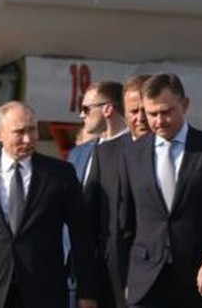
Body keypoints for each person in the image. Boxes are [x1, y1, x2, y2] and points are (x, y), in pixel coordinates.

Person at [0, 101, 98, 308]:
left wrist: (87, 292)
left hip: (46, 292)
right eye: (19, 132)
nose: (28, 139)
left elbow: (81, 235)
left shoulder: (60, 175)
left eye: (32, 130)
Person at [119, 73, 202, 307]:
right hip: (146, 281)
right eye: (152, 114)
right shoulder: (132, 154)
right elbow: (126, 220)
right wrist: (127, 278)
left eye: (166, 112)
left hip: (198, 278)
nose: (159, 121)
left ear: (185, 105)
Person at [80, 81, 130, 307]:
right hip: (90, 276)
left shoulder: (134, 149)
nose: (81, 115)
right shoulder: (79, 154)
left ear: (108, 109)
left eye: (86, 109)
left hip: (124, 275)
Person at [122, 74, 152, 140]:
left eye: (146, 111)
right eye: (134, 112)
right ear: (124, 114)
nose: (141, 118)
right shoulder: (108, 149)